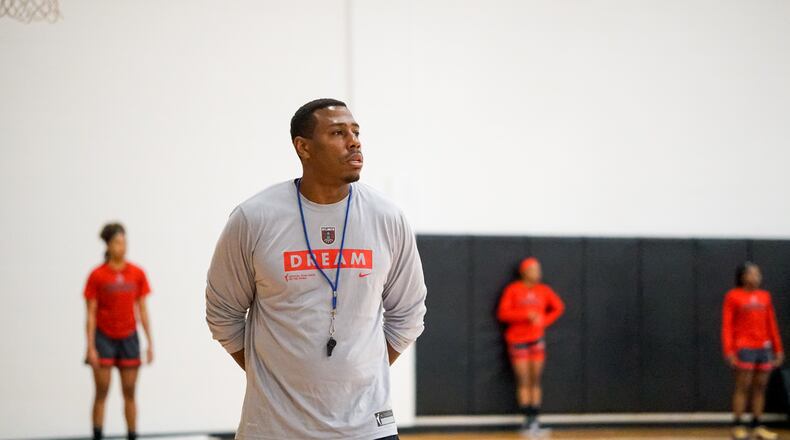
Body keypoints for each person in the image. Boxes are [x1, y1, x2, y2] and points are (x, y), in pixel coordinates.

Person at [205, 98, 427, 440]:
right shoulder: (253, 218)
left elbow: (409, 313)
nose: (354, 141)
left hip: (367, 427)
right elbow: (222, 314)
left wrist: (360, 374)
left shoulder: (387, 218)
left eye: (355, 131)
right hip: (274, 428)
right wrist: (274, 378)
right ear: (303, 147)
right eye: (338, 132)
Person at [84, 223, 154, 440]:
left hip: (129, 339)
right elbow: (91, 314)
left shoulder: (137, 273)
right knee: (102, 391)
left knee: (130, 392)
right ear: (108, 245)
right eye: (117, 242)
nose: (121, 246)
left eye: (124, 242)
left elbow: (142, 309)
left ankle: (132, 435)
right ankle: (97, 435)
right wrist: (91, 347)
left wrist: (149, 343)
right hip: (104, 338)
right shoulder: (97, 275)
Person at [497, 257, 565, 434]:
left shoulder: (544, 290)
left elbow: (558, 307)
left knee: (535, 380)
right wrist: (525, 315)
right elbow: (503, 313)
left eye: (538, 269)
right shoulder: (513, 290)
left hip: (536, 340)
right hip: (518, 340)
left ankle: (535, 420)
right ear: (524, 272)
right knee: (524, 380)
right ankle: (527, 422)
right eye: (534, 269)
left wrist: (543, 321)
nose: (537, 273)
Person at [723, 262, 784, 440]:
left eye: (759, 274)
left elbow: (771, 323)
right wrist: (729, 350)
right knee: (743, 387)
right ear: (743, 277)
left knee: (760, 387)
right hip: (744, 348)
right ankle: (738, 425)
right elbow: (727, 326)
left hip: (764, 348)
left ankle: (757, 425)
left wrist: (778, 349)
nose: (758, 277)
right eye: (753, 274)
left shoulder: (765, 296)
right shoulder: (733, 296)